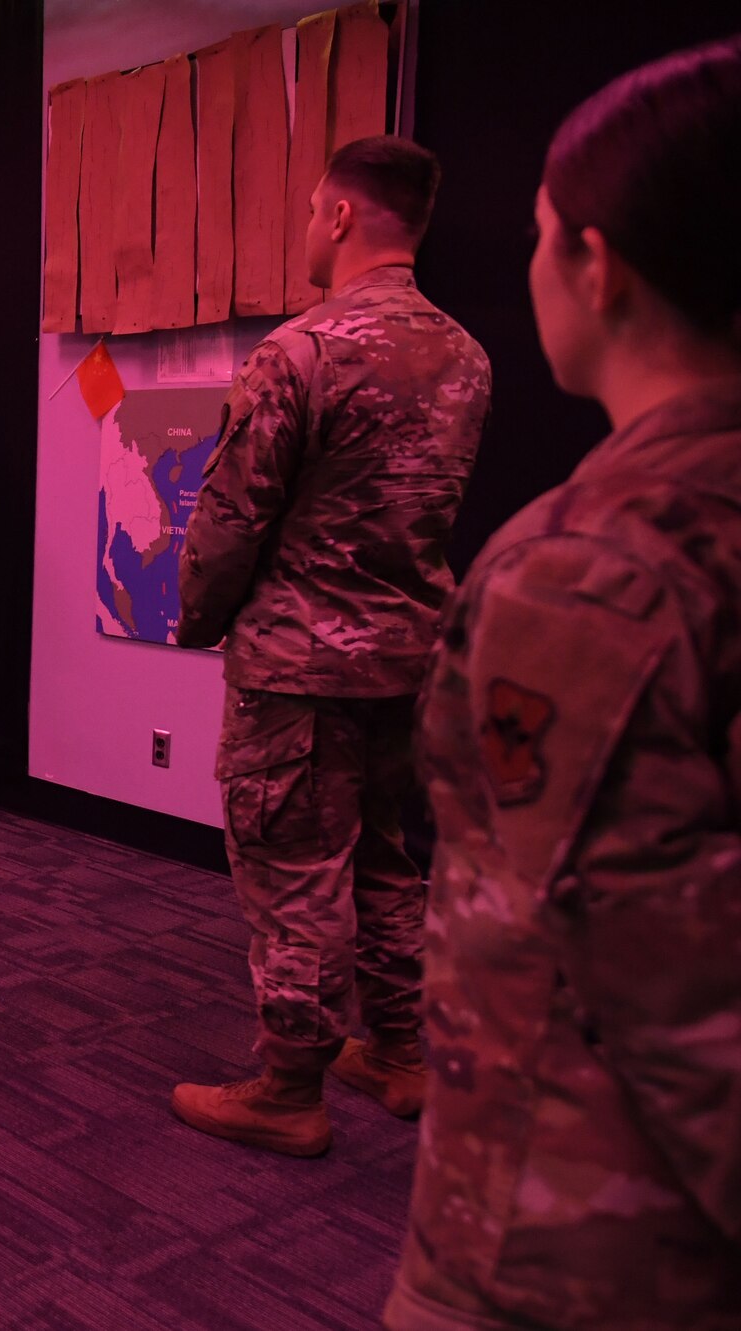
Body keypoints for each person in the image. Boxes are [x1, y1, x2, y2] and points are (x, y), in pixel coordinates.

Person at [390, 39, 741, 1329]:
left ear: (593, 266)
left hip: (584, 1251)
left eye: (541, 233)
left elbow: (681, 1007)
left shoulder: (592, 574)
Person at [170, 136, 492, 1155]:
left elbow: (229, 520)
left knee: (295, 868)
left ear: (342, 215)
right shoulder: (464, 355)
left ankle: (287, 1086)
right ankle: (400, 1052)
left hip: (298, 668)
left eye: (313, 210)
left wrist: (197, 620)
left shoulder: (299, 351)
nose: (308, 227)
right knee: (389, 860)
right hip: (409, 660)